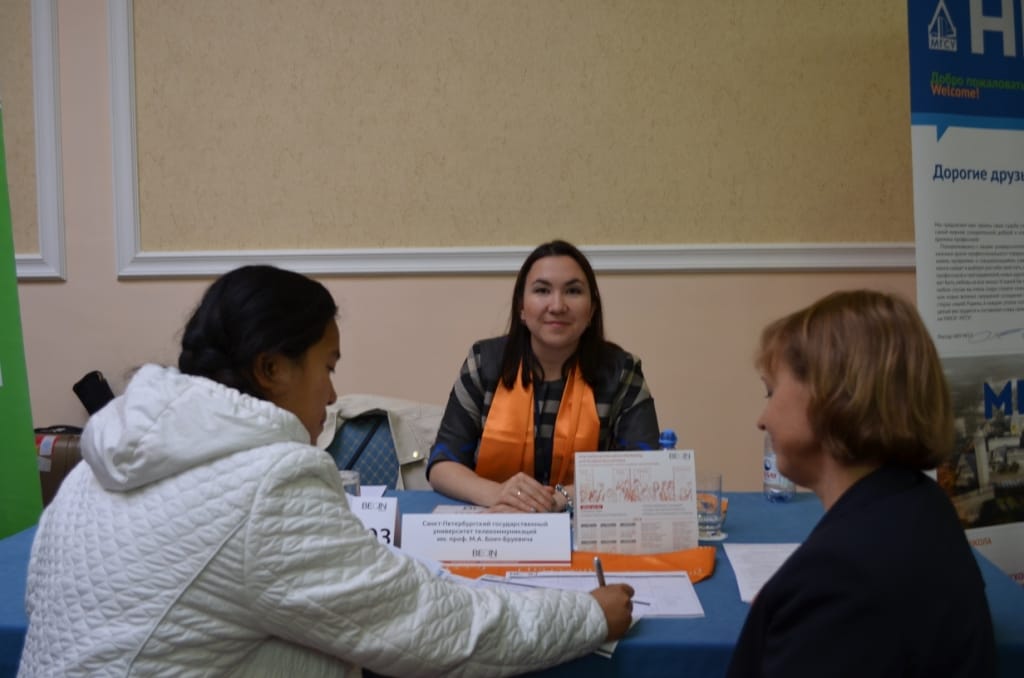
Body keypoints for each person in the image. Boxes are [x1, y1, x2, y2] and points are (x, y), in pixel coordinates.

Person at [19, 265, 634, 677]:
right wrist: (586, 616)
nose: (334, 395)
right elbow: (434, 629)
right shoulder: (270, 483)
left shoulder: (96, 465)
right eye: (328, 366)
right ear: (272, 369)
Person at [727, 290, 996, 677]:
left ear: (832, 396)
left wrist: (805, 607)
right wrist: (790, 610)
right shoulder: (921, 504)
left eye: (771, 391)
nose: (762, 419)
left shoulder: (841, 579)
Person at [427, 240, 660, 512]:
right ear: (521, 307)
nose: (557, 305)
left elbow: (645, 469)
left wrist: (560, 498)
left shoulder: (621, 372)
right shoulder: (484, 363)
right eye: (542, 290)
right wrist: (499, 494)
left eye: (573, 291)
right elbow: (442, 464)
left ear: (592, 309)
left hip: (582, 524)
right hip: (496, 520)